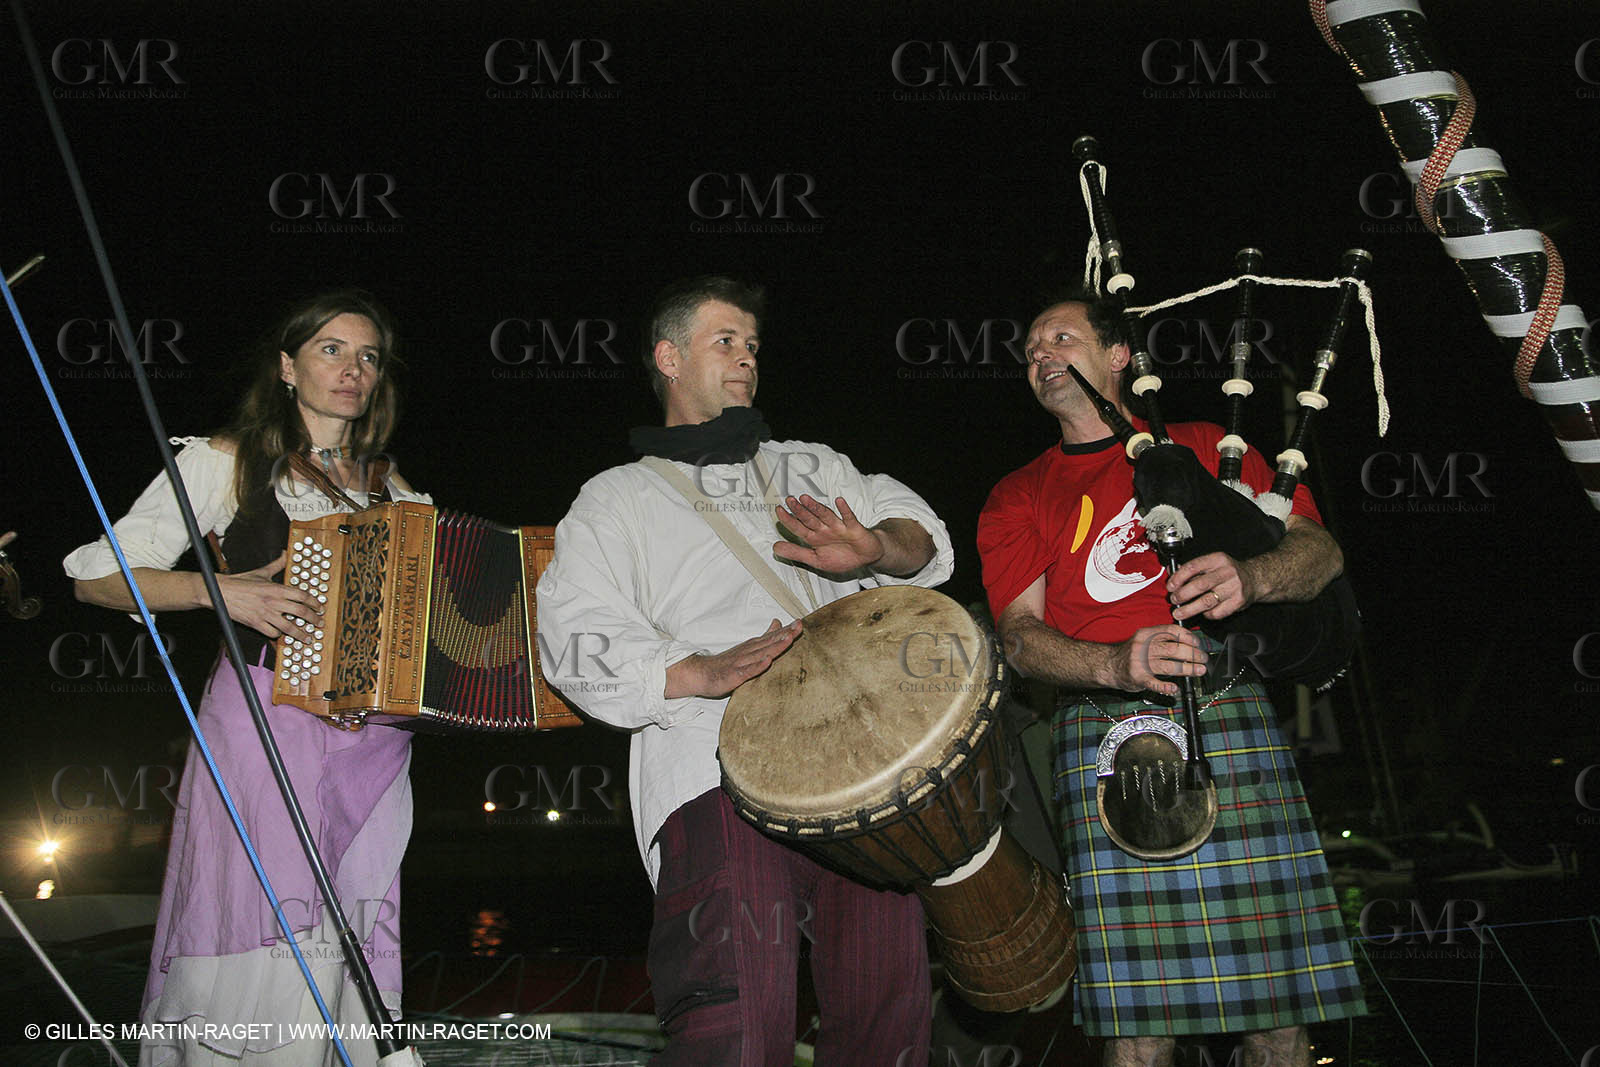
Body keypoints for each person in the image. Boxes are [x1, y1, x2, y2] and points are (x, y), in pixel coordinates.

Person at [536, 276, 954, 1066]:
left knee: (888, 1019)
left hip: (859, 770)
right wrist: (694, 669)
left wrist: (874, 548)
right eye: (724, 341)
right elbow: (571, 632)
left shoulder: (811, 464)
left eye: (753, 346)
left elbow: (923, 535)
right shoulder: (614, 499)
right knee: (735, 1024)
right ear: (667, 357)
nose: (746, 358)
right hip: (711, 765)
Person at [976, 292, 1365, 1067]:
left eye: (1062, 336)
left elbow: (1321, 553)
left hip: (1229, 708)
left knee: (1279, 1007)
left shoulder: (1207, 448)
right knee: (1136, 1019)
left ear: (1119, 356)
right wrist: (1113, 663)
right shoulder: (1018, 494)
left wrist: (1252, 578)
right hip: (1101, 729)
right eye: (1029, 347)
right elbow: (1019, 640)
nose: (1041, 354)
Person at [66, 290, 428, 1066]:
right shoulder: (223, 460)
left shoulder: (401, 494)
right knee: (263, 923)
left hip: (377, 749)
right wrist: (217, 589)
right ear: (287, 366)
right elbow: (96, 575)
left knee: (351, 935)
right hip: (265, 722)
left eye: (368, 356)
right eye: (330, 349)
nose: (352, 369)